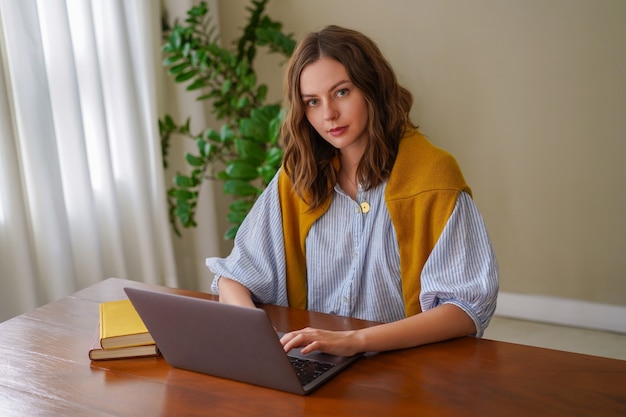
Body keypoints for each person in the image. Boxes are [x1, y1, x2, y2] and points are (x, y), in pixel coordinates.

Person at [206, 25, 498, 357]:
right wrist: (255, 332)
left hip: (404, 370)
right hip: (313, 362)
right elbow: (234, 277)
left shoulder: (433, 176)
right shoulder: (298, 177)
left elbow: (464, 309)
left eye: (341, 92)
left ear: (372, 88)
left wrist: (356, 341)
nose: (328, 114)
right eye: (312, 102)